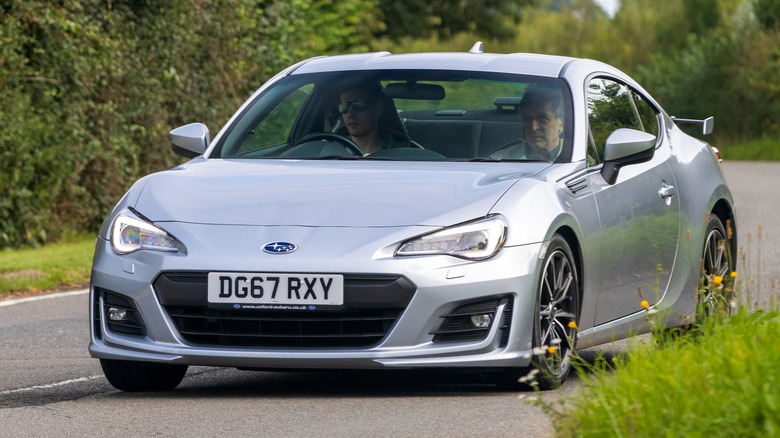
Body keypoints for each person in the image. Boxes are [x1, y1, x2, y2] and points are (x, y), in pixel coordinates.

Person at [490, 85, 565, 161]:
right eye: (527, 119)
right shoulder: (499, 161)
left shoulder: (576, 158)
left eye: (542, 119)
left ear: (561, 124)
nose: (533, 127)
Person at [337, 82, 409, 155]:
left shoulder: (403, 156)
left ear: (378, 108)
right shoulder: (329, 151)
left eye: (358, 104)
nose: (350, 114)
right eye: (344, 106)